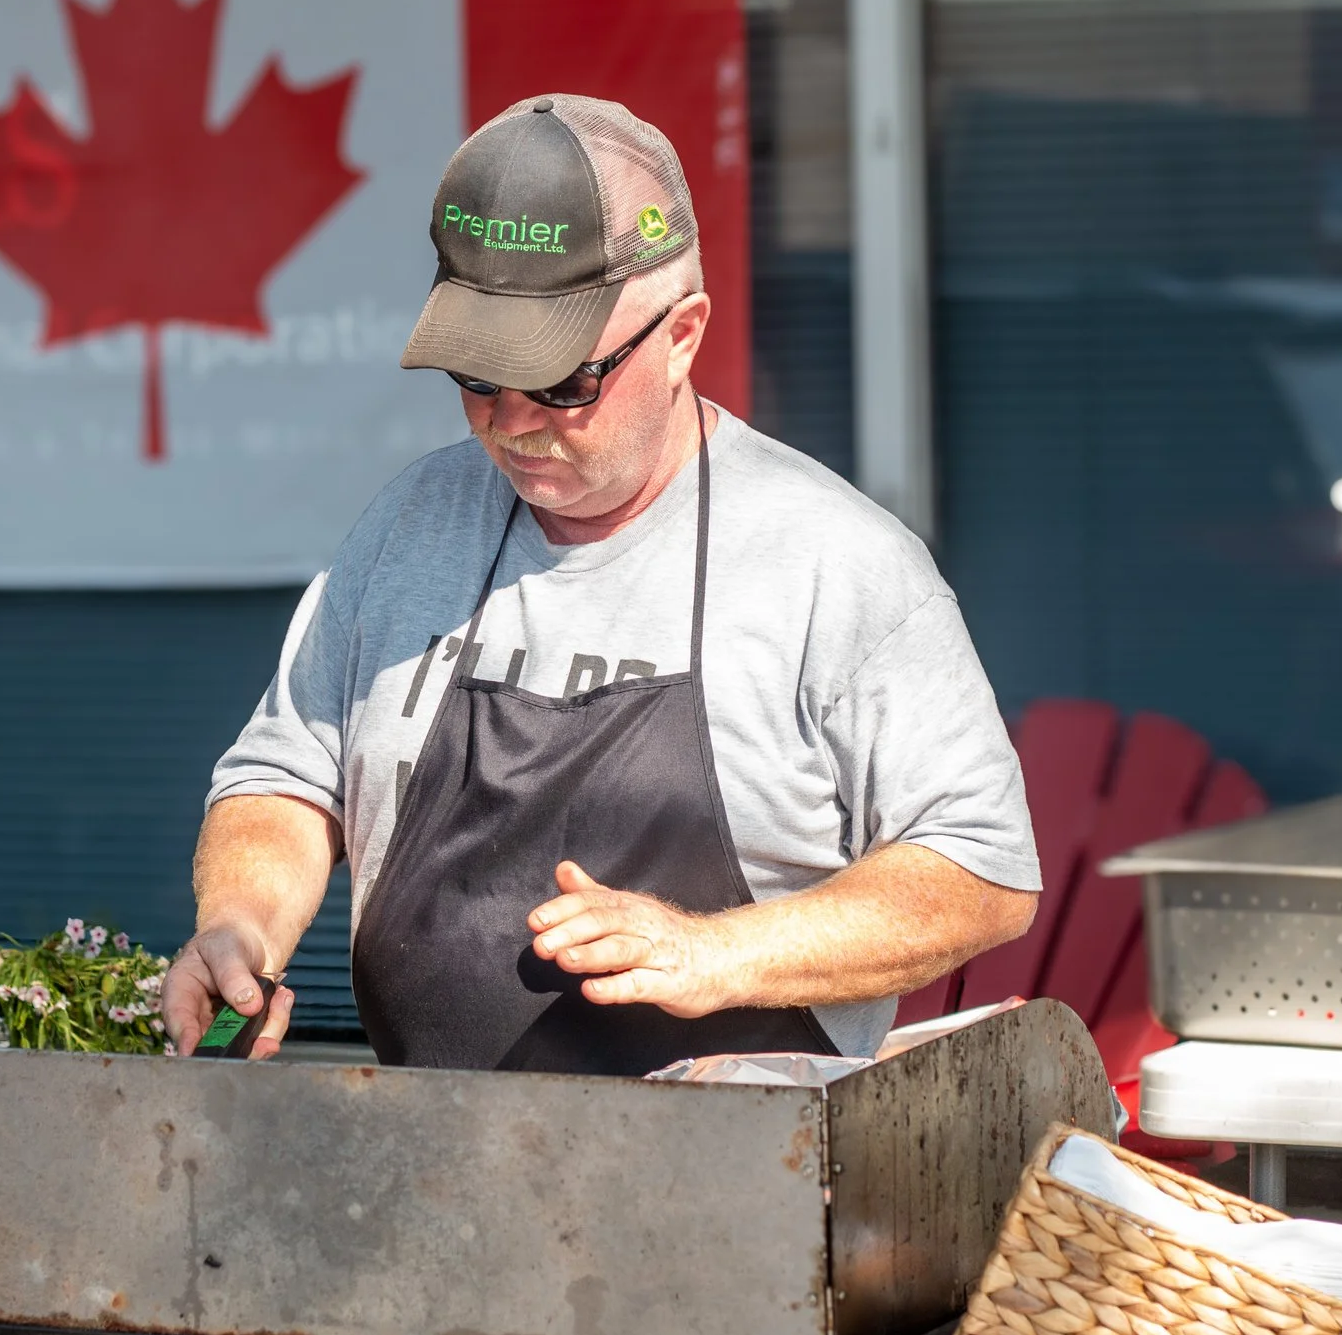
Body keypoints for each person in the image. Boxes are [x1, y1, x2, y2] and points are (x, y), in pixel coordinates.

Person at [163, 93, 1039, 1072]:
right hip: (427, 1157)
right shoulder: (409, 525)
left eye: (564, 382)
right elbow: (288, 776)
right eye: (477, 378)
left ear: (681, 334)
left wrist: (721, 951)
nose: (512, 423)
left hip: (753, 1172)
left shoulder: (832, 561)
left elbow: (979, 870)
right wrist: (241, 923)